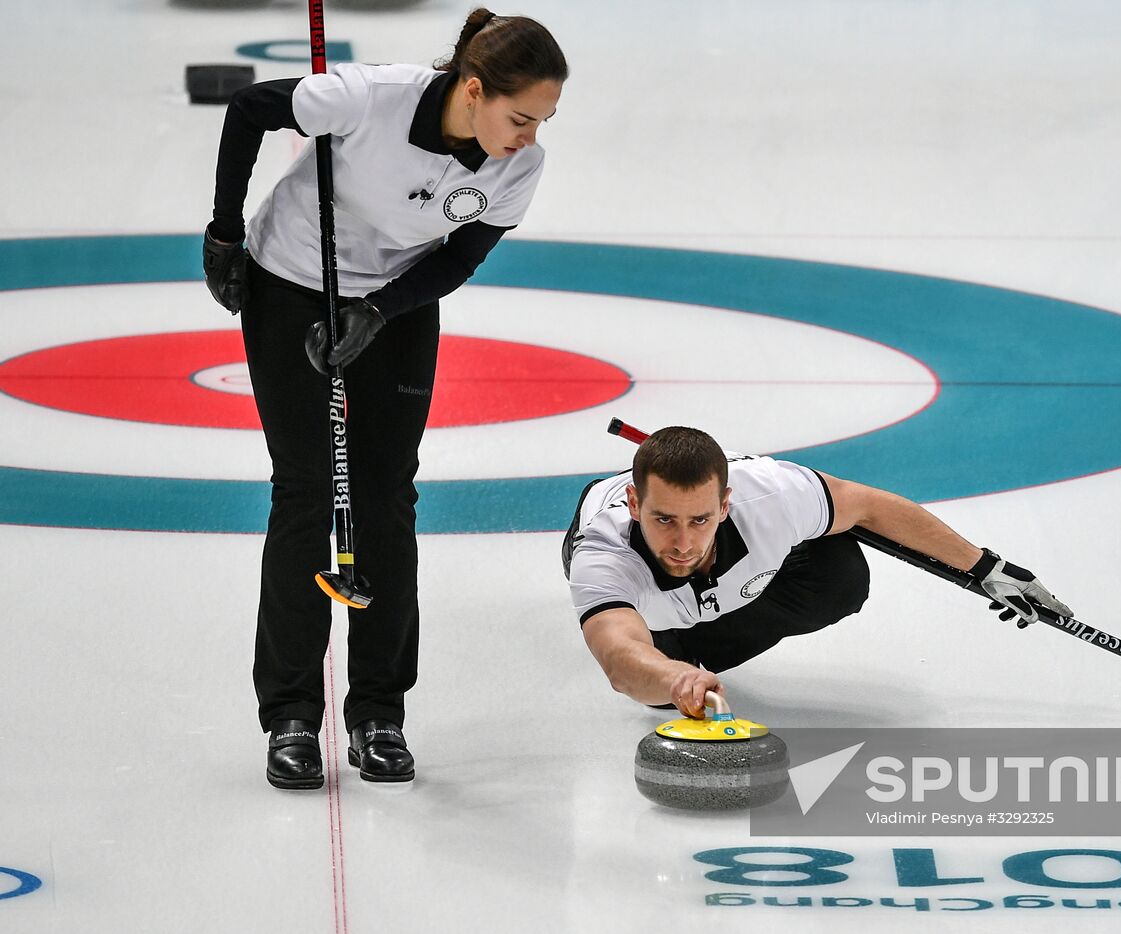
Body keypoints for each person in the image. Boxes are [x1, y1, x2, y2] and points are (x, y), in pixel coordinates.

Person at [202, 9, 567, 789]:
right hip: (293, 282)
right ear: (473, 90)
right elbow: (251, 109)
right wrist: (225, 233)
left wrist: (379, 310)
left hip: (395, 303)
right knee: (306, 491)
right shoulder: (367, 99)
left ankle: (378, 713)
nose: (531, 136)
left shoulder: (516, 166)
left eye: (545, 120)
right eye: (521, 116)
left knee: (385, 497)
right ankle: (293, 714)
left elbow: (460, 256)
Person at [564, 427, 1072, 718]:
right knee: (660, 687)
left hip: (740, 581)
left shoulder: (773, 493)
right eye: (663, 519)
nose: (682, 542)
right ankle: (681, 654)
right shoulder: (603, 553)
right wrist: (674, 679)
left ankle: (703, 648)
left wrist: (988, 569)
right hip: (654, 618)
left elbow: (869, 507)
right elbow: (619, 654)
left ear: (725, 503)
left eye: (700, 519)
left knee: (839, 573)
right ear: (633, 503)